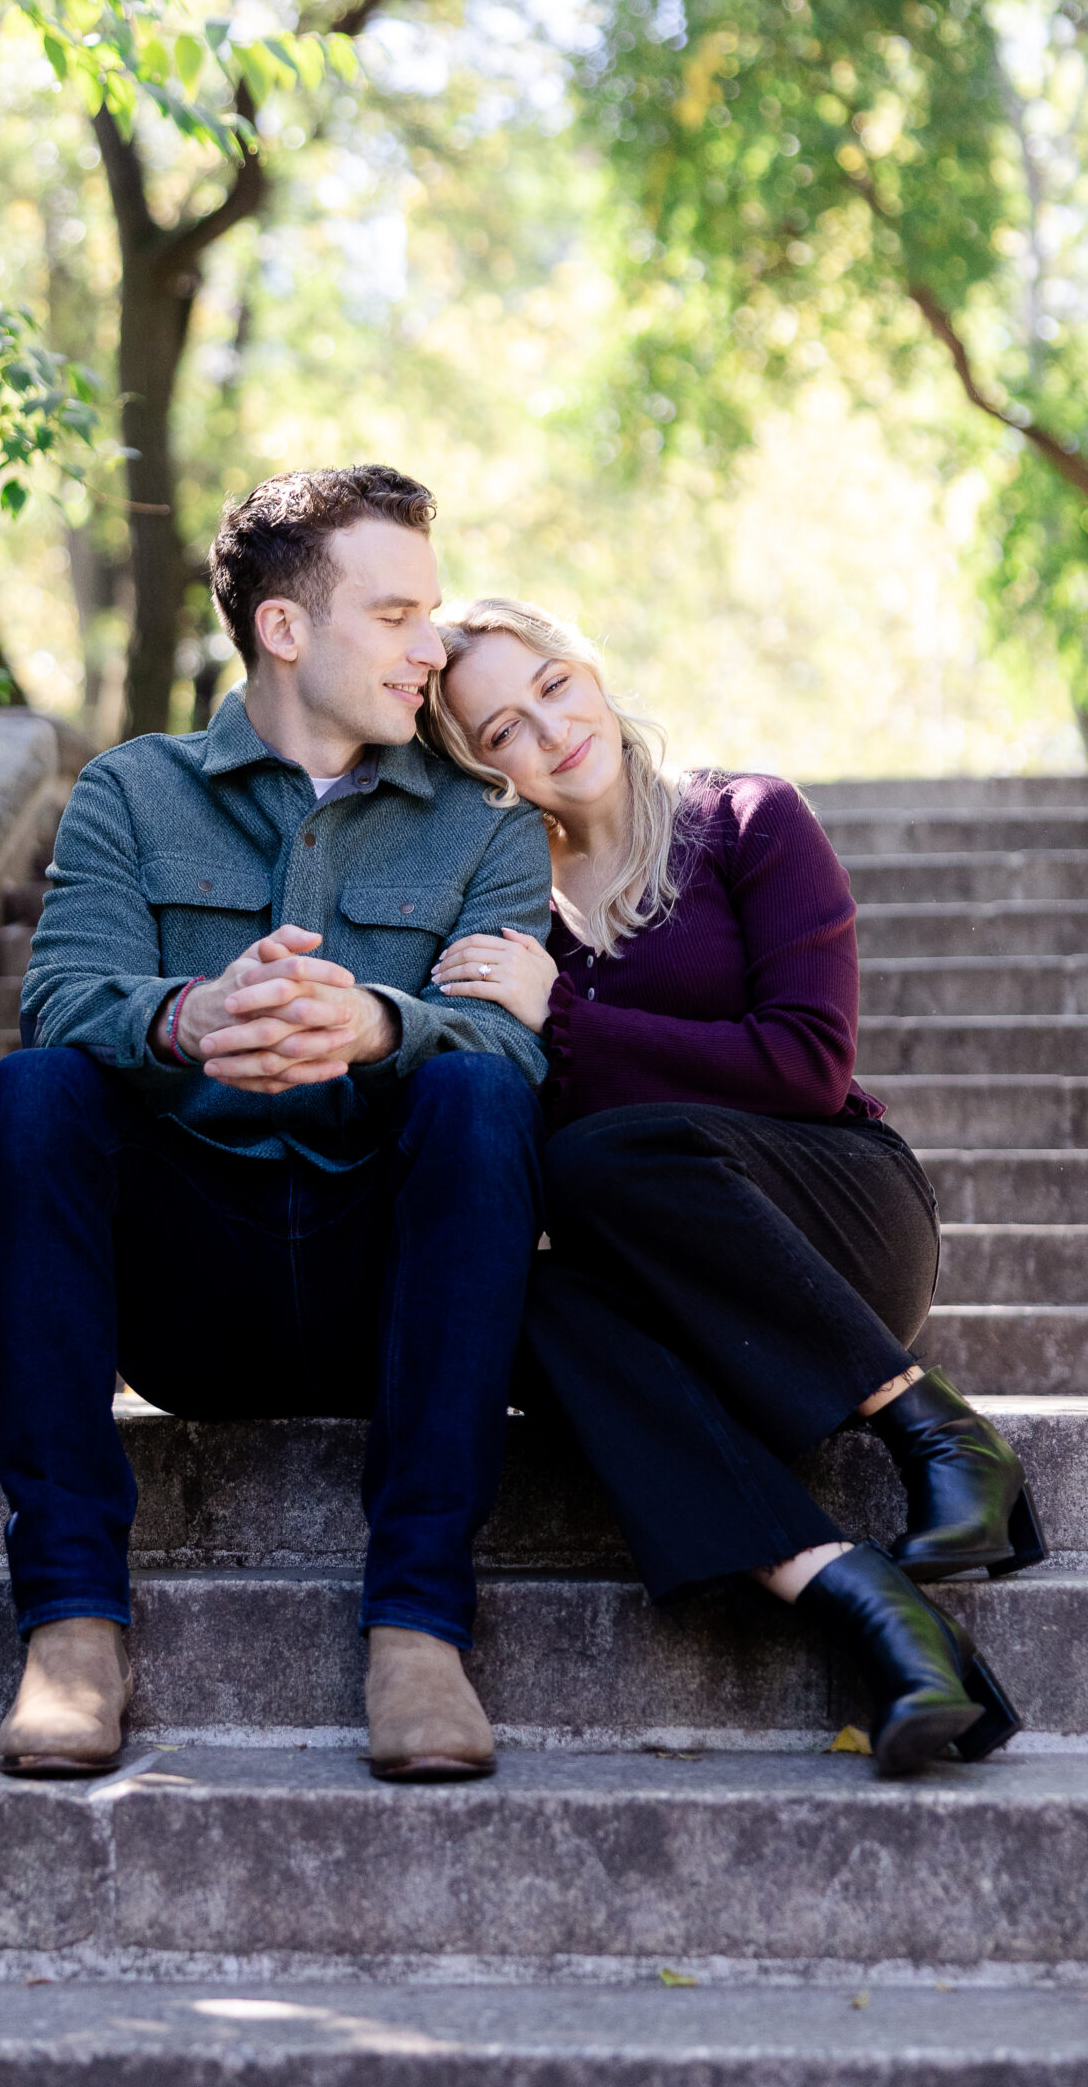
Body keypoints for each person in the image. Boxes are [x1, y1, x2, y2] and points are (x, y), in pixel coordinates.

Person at [0, 472, 552, 1785]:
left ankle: (416, 1632)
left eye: (432, 613)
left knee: (475, 1089)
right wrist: (189, 1016)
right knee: (34, 1091)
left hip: (379, 1287)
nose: (432, 647)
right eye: (396, 612)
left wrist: (378, 1029)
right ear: (285, 629)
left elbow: (511, 1037)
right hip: (192, 1291)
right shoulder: (131, 791)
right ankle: (69, 1626)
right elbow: (62, 991)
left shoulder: (482, 828)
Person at [425, 597, 1046, 1781]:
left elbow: (809, 1065)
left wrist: (567, 1016)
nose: (551, 729)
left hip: (838, 1222)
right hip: (687, 1301)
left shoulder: (746, 818)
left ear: (589, 666)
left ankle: (930, 1424)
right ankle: (869, 1607)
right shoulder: (510, 930)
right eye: (502, 728)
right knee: (530, 1304)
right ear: (477, 767)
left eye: (554, 683)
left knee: (601, 1155)